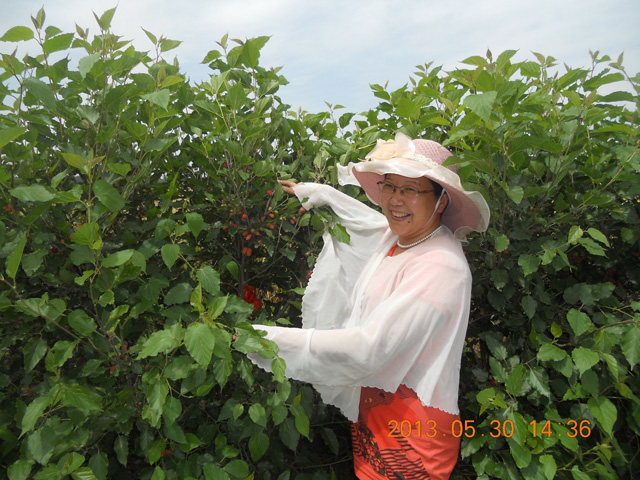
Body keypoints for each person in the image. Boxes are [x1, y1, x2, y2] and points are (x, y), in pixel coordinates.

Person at [249, 132, 490, 479]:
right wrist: (321, 194)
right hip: (376, 421)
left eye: (410, 190)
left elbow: (369, 349)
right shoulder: (400, 239)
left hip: (413, 438)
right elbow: (366, 222)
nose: (395, 200)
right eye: (389, 186)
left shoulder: (441, 267)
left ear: (440, 201)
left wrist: (264, 339)